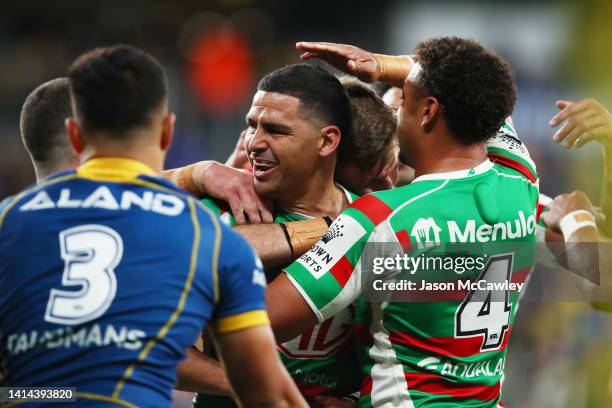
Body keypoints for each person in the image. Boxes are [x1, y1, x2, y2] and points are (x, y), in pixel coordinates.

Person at [0, 45, 305, 407]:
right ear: (166, 132)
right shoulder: (207, 235)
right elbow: (265, 392)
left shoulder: (8, 220)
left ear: (76, 136)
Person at [262, 37, 538, 406]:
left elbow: (258, 320)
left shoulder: (381, 217)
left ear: (428, 112)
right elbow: (482, 91)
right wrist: (383, 67)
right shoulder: (522, 184)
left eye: (403, 100)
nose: (395, 113)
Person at [190, 63, 363, 407]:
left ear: (327, 140)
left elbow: (397, 341)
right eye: (251, 125)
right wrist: (264, 390)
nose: (254, 143)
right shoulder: (221, 212)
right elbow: (153, 345)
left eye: (275, 130)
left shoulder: (375, 220)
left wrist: (358, 399)